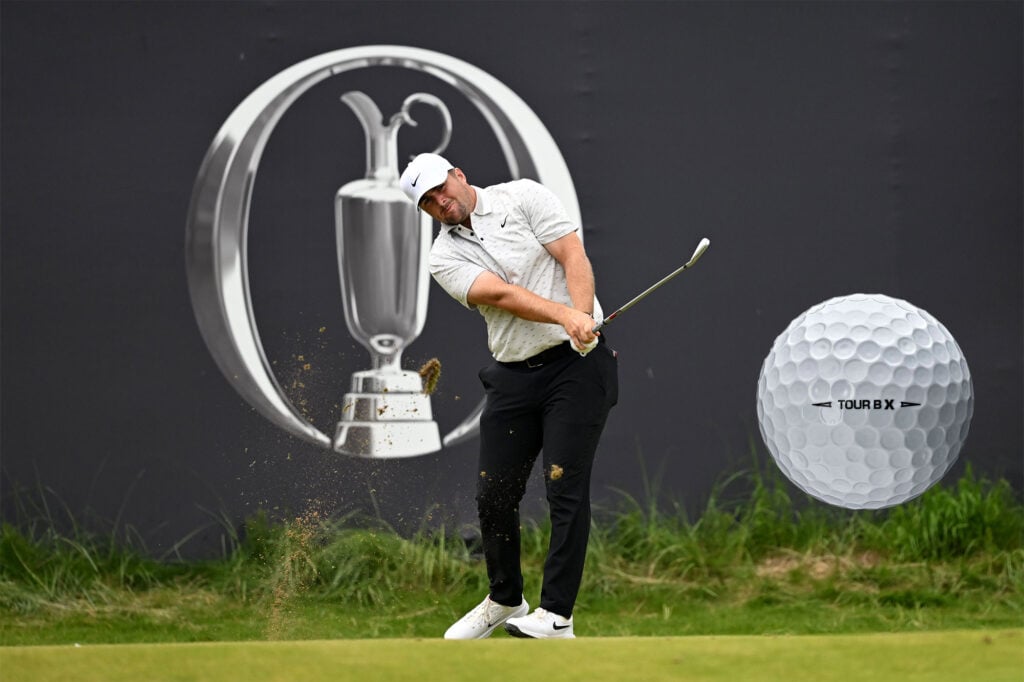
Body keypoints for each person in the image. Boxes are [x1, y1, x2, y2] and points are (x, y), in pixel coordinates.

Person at [399, 153, 619, 639]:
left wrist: (582, 317)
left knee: (563, 486)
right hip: (513, 375)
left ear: (458, 174)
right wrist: (567, 319)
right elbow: (501, 296)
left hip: (577, 370)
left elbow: (572, 255)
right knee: (493, 494)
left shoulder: (523, 196)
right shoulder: (443, 257)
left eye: (442, 189)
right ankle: (505, 598)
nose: (441, 203)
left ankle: (557, 614)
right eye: (429, 203)